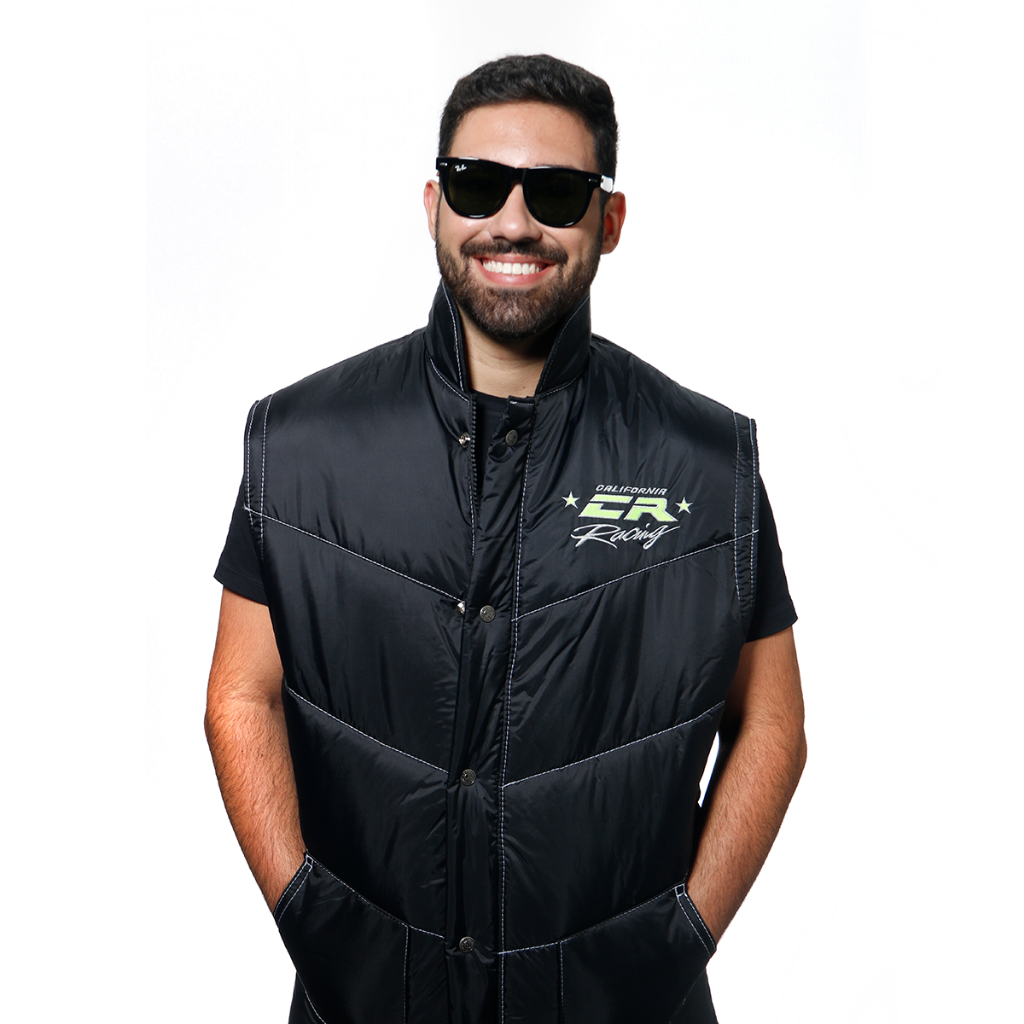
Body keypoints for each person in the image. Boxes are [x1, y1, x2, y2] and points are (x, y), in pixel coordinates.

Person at [206, 54, 806, 1024]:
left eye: (556, 192)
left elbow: (773, 723)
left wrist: (678, 939)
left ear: (609, 219)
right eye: (478, 184)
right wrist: (315, 922)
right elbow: (239, 694)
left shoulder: (705, 465)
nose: (513, 222)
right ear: (434, 204)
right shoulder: (302, 444)